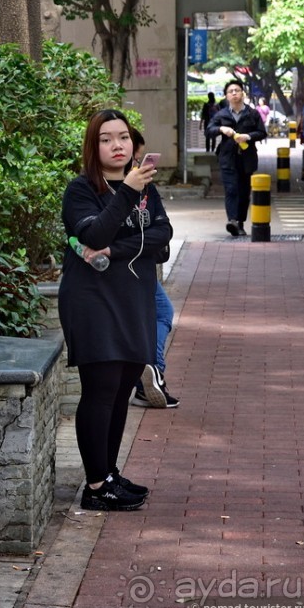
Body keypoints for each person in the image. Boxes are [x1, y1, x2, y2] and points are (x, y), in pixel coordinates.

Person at [58, 109, 172, 511]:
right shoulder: (81, 190)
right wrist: (125, 191)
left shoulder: (146, 189)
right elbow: (92, 232)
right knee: (101, 389)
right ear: (94, 146)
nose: (118, 144)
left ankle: (108, 474)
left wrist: (115, 250)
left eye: (123, 136)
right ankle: (95, 487)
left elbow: (162, 236)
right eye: (107, 139)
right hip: (92, 302)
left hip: (132, 299)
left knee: (123, 389)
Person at [126, 129, 179, 409]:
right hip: (125, 272)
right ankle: (150, 375)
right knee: (158, 314)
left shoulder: (147, 188)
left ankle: (151, 376)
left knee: (162, 312)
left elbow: (163, 229)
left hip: (144, 267)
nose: (139, 164)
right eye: (136, 158)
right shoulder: (108, 189)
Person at [206, 80, 267, 237]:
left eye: (237, 90)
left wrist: (248, 136)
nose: (234, 93)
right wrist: (221, 128)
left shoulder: (252, 113)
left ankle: (240, 222)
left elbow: (262, 132)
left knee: (244, 191)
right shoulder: (221, 115)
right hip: (227, 158)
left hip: (247, 159)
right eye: (231, 91)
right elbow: (209, 130)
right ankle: (232, 220)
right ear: (226, 96)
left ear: (243, 93)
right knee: (231, 189)